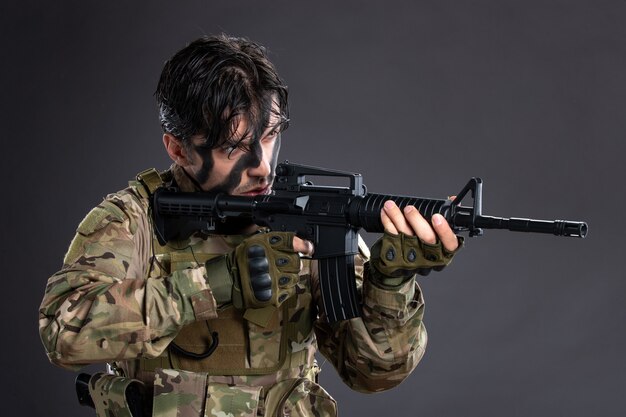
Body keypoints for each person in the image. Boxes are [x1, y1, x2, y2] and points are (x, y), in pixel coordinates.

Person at [39, 34, 461, 417]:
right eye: (233, 146)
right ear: (178, 149)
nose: (261, 166)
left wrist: (390, 284)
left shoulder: (312, 222)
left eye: (271, 134)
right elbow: (62, 332)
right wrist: (215, 285)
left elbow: (372, 374)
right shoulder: (134, 220)